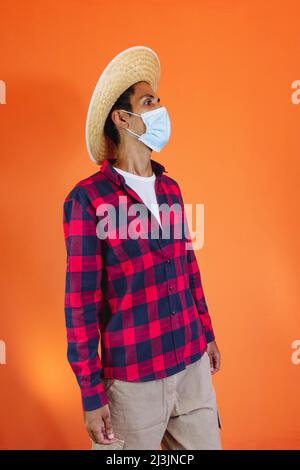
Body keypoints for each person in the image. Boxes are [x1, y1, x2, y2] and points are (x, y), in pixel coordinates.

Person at [63, 46, 222, 450]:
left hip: (191, 368)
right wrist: (90, 392)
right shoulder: (88, 199)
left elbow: (188, 266)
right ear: (122, 118)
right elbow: (81, 302)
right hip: (132, 385)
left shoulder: (170, 189)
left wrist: (206, 332)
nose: (159, 109)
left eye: (158, 101)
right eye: (148, 102)